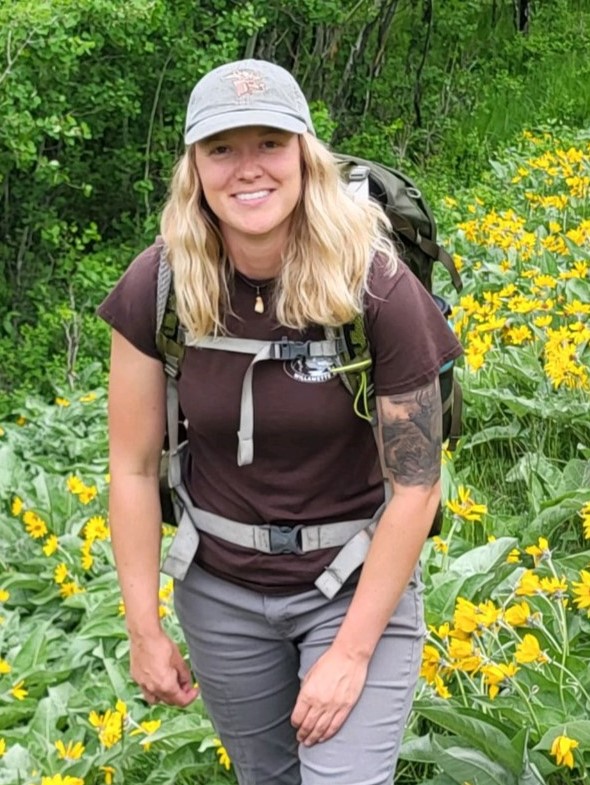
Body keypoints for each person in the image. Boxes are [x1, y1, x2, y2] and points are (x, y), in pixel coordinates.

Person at [98, 58, 463, 785]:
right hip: (221, 589)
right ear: (194, 166)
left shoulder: (376, 285)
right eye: (222, 148)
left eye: (270, 142)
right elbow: (133, 466)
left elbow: (417, 487)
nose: (248, 168)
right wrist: (143, 627)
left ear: (305, 153)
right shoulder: (159, 283)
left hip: (354, 581)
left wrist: (353, 652)